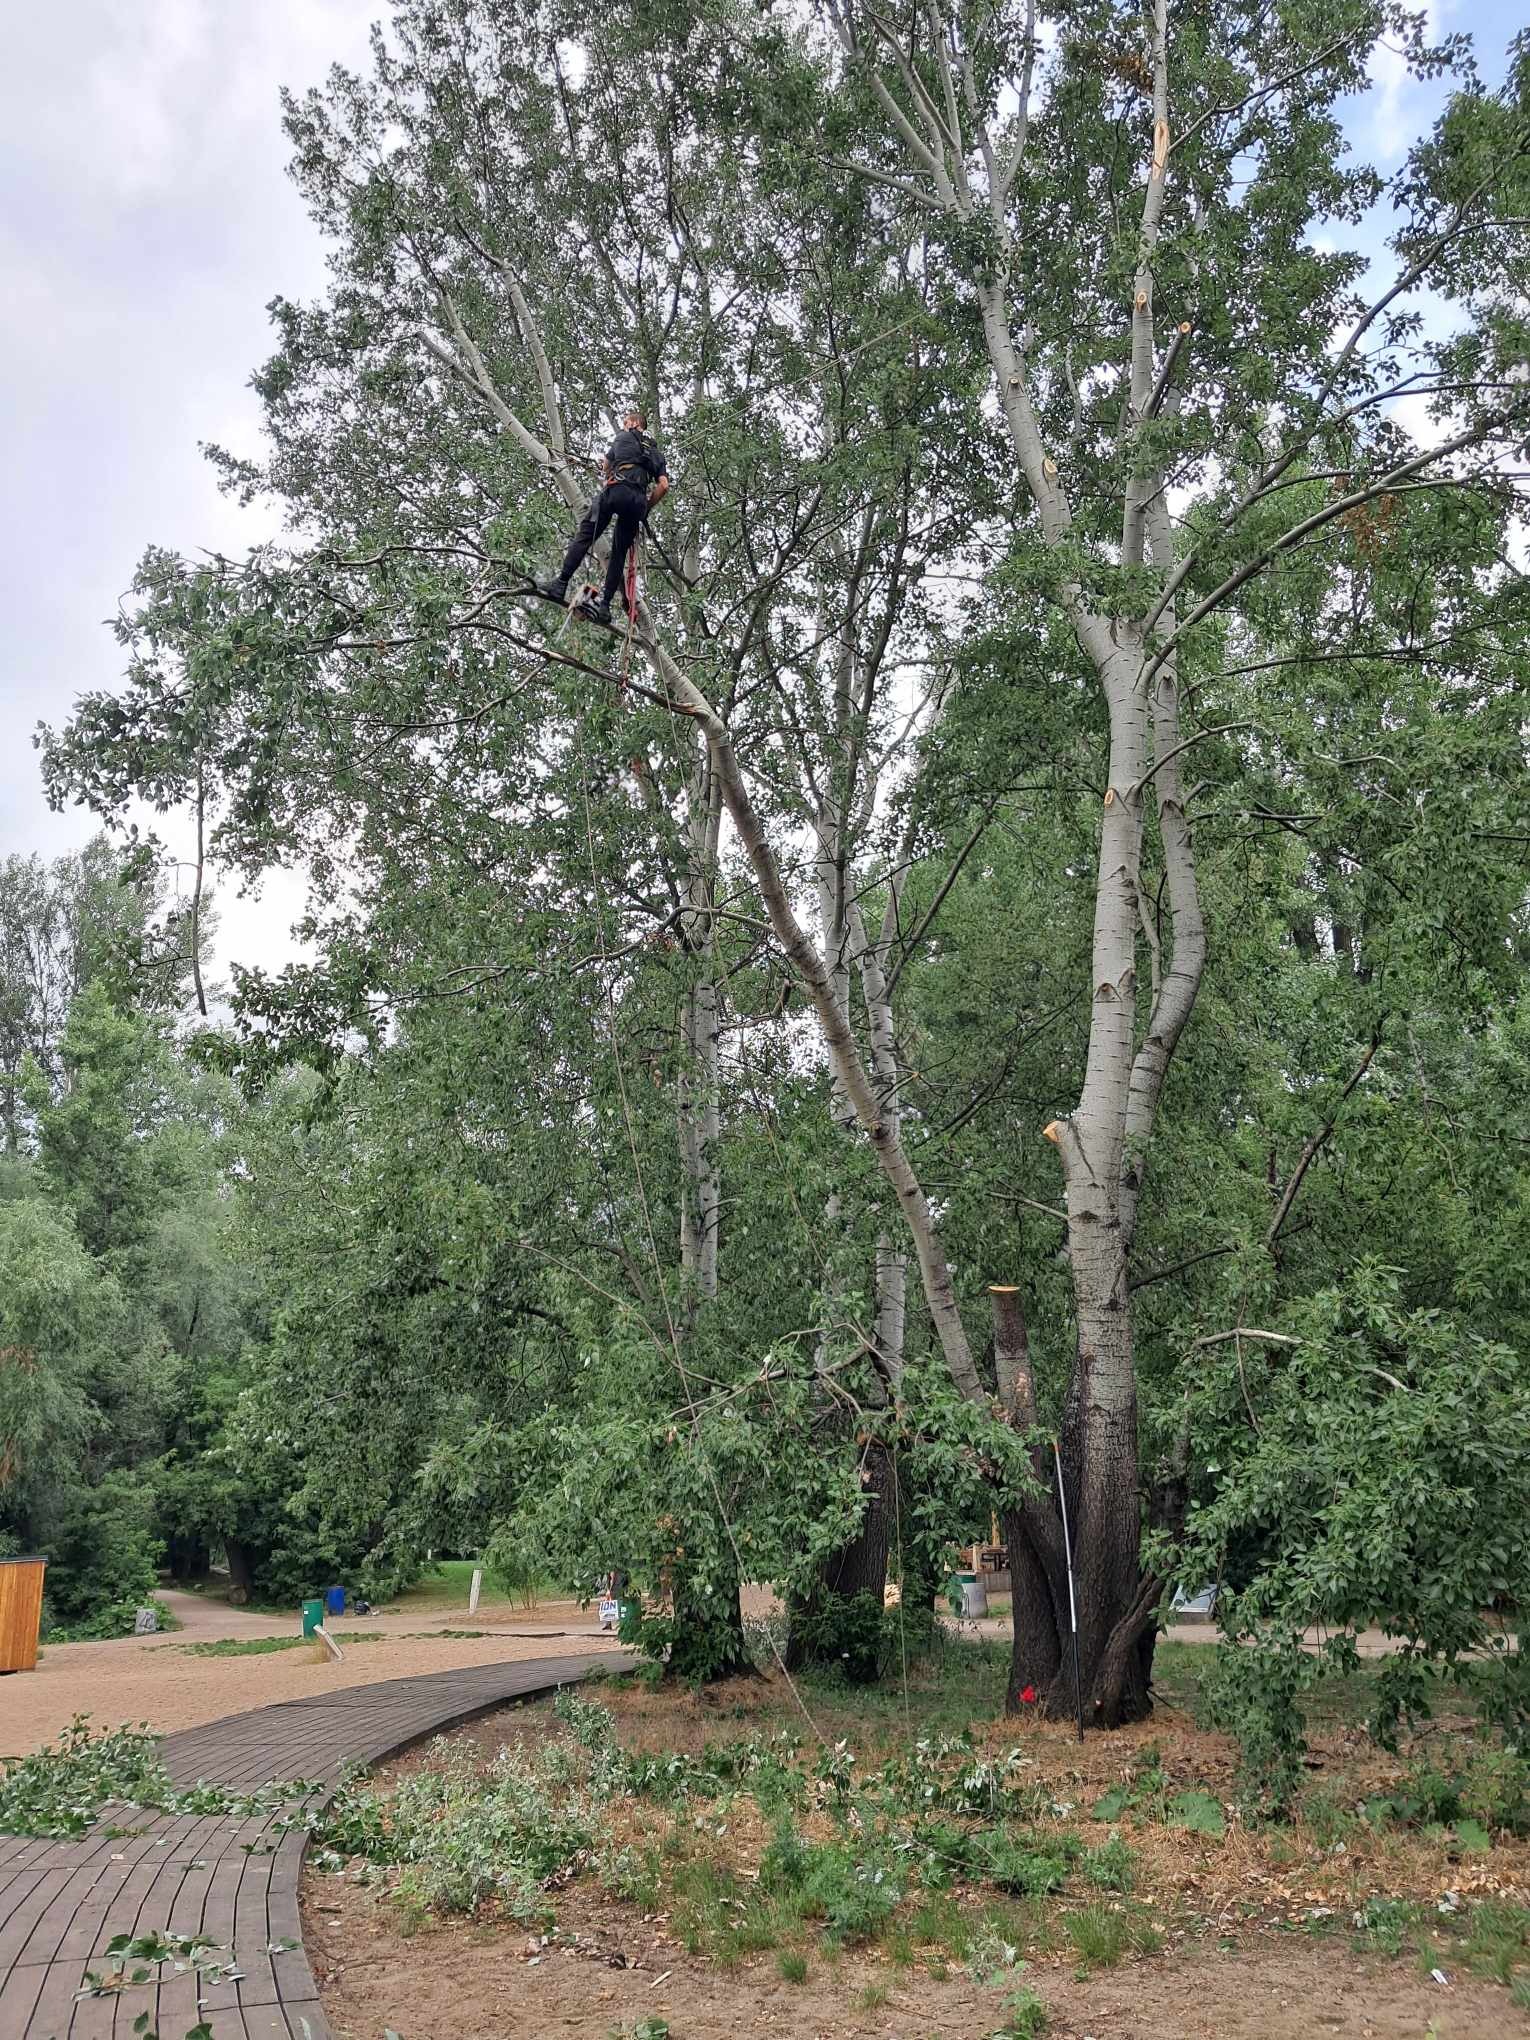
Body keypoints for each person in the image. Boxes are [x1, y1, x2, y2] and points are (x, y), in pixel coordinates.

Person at [536, 405, 670, 623]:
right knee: (618, 555)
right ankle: (605, 607)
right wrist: (646, 508)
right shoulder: (656, 453)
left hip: (616, 490)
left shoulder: (623, 437)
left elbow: (607, 467)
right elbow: (664, 485)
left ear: (634, 424)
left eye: (627, 422)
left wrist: (609, 467)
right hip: (636, 502)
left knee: (586, 535)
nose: (625, 425)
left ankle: (560, 584)